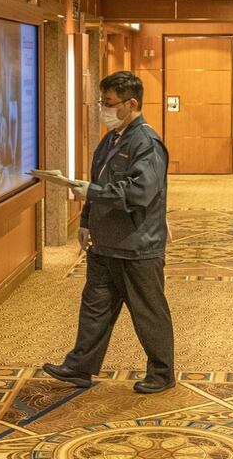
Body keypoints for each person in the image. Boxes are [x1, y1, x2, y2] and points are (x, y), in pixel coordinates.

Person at [43, 71, 176, 395]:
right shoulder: (111, 139)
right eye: (102, 102)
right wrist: (86, 221)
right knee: (95, 306)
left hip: (137, 245)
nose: (103, 109)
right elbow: (97, 182)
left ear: (131, 103)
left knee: (148, 311)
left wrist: (91, 191)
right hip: (104, 243)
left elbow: (140, 192)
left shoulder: (146, 142)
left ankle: (162, 372)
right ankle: (80, 367)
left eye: (109, 103)